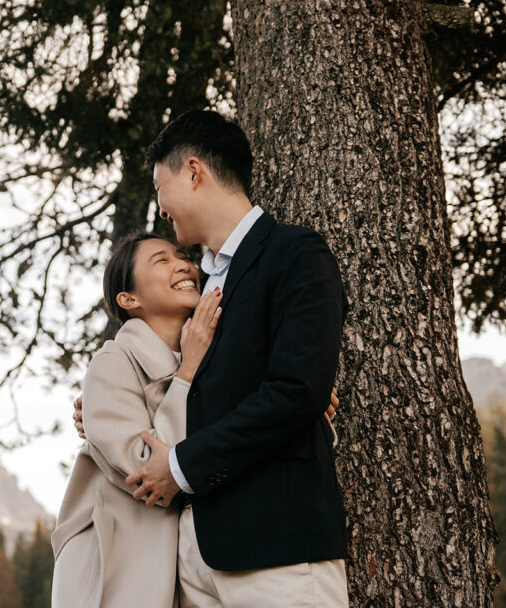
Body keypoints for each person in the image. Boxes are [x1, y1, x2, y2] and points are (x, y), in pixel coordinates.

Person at [72, 110, 350, 606]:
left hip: (275, 551)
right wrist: (102, 408)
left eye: (161, 188)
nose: (161, 208)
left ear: (194, 172)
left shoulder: (293, 254)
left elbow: (295, 390)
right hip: (192, 565)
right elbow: (208, 387)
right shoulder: (201, 291)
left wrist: (178, 466)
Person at [51, 231, 223, 607]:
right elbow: (145, 470)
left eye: (182, 256)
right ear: (129, 299)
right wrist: (188, 372)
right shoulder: (113, 362)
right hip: (111, 568)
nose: (183, 264)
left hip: (176, 569)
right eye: (161, 260)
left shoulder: (205, 358)